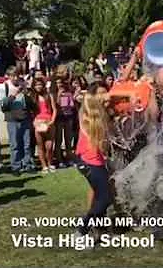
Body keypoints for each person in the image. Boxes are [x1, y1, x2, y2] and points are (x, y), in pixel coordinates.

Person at [74, 88, 112, 241]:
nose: (105, 95)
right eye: (101, 93)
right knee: (105, 198)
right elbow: (86, 99)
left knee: (100, 196)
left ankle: (101, 231)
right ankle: (82, 228)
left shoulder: (99, 115)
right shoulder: (86, 113)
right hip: (89, 162)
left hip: (94, 161)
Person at [0, 67, 36, 175]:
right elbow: (4, 105)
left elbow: (29, 101)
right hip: (12, 117)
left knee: (26, 143)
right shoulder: (5, 85)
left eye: (17, 75)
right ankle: (15, 166)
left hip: (24, 116)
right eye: (13, 76)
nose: (15, 78)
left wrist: (27, 93)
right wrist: (14, 95)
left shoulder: (23, 83)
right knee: (14, 144)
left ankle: (27, 164)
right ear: (8, 76)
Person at [31, 78, 57, 173]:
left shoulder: (49, 96)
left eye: (40, 84)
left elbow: (54, 109)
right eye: (36, 85)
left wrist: (52, 121)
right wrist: (34, 122)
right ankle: (44, 166)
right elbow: (31, 112)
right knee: (40, 145)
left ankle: (50, 163)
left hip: (49, 122)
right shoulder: (33, 97)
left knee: (49, 146)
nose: (39, 86)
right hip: (38, 122)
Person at [54, 78, 76, 168]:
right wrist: (59, 95)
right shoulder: (54, 94)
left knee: (68, 139)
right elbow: (56, 104)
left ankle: (69, 158)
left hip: (68, 117)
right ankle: (59, 160)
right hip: (59, 118)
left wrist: (69, 100)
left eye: (60, 83)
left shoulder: (68, 93)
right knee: (58, 140)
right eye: (57, 83)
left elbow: (72, 105)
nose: (59, 85)